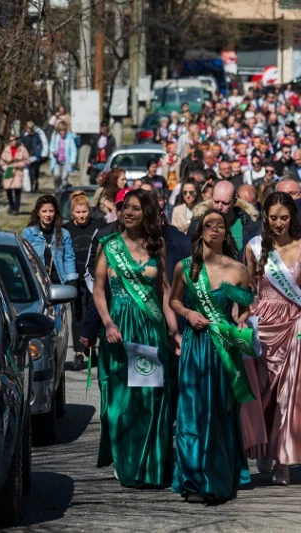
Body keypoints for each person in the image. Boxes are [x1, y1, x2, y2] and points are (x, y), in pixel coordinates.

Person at [92, 189, 180, 487]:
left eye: (135, 208)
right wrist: (107, 323)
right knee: (120, 399)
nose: (128, 212)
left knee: (146, 397)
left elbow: (165, 292)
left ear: (146, 214)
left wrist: (174, 332)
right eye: (125, 207)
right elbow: (98, 289)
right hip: (118, 328)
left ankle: (147, 465)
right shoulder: (108, 245)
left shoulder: (157, 246)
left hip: (146, 329)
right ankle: (123, 458)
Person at [170, 209, 255, 503]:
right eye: (209, 225)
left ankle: (220, 475)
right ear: (200, 231)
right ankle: (194, 479)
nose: (215, 229)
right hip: (195, 344)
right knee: (192, 410)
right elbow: (173, 300)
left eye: (220, 225)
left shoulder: (238, 269)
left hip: (223, 347)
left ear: (226, 233)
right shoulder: (185, 267)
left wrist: (242, 319)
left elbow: (246, 304)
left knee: (219, 411)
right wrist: (189, 313)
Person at [244, 192, 301, 486]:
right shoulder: (254, 248)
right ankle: (265, 447)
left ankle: (283, 461)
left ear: (293, 218)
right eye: (272, 218)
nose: (278, 223)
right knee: (265, 393)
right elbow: (246, 287)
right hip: (261, 325)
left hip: (292, 324)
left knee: (288, 395)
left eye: (284, 218)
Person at [64, 192, 103, 370]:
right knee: (77, 313)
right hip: (75, 276)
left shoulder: (98, 227)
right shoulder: (66, 230)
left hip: (94, 277)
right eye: (78, 212)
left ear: (89, 211)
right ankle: (79, 351)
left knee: (93, 312)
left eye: (84, 212)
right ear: (72, 212)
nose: (81, 215)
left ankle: (92, 347)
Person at [22, 195, 77, 287]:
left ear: (56, 213)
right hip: (37, 283)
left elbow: (69, 259)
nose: (48, 215)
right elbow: (23, 258)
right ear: (38, 213)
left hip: (59, 282)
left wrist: (72, 281)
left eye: (51, 211)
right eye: (44, 211)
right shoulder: (28, 233)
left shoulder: (64, 234)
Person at [0, 135, 29, 216]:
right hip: (8, 170)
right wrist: (6, 168)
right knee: (8, 190)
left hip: (18, 170)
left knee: (17, 191)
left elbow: (27, 160)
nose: (13, 142)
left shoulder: (22, 149)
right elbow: (2, 162)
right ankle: (11, 206)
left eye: (14, 140)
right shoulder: (6, 150)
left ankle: (16, 209)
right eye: (11, 140)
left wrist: (19, 165)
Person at [49, 121, 78, 195]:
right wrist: (53, 151)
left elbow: (73, 149)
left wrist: (72, 160)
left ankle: (63, 192)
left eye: (64, 131)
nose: (63, 133)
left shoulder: (69, 137)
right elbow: (51, 146)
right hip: (57, 161)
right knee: (56, 175)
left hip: (66, 162)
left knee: (64, 178)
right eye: (61, 131)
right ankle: (57, 190)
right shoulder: (55, 136)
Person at [20, 120, 48, 192]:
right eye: (28, 128)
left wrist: (40, 153)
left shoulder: (36, 136)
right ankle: (28, 186)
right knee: (27, 171)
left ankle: (34, 183)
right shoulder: (23, 135)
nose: (29, 130)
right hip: (26, 156)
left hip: (34, 156)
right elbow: (20, 142)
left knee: (34, 171)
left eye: (31, 128)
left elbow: (40, 144)